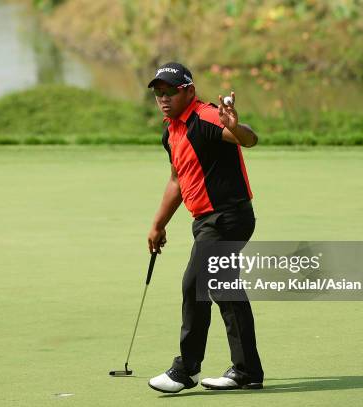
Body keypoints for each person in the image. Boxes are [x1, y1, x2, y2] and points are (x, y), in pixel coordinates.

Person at [145, 62, 264, 393]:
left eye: (171, 91)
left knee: (194, 283)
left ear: (190, 92)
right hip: (208, 221)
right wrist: (158, 224)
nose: (164, 98)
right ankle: (248, 371)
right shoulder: (171, 131)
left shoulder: (207, 117)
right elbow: (176, 180)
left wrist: (236, 127)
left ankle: (187, 369)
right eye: (159, 93)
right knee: (224, 288)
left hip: (227, 217)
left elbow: (249, 138)